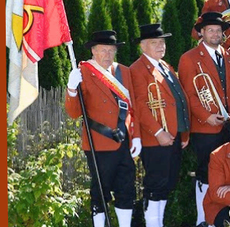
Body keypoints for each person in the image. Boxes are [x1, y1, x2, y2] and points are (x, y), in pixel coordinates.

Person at [65, 30, 140, 227]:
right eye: (102, 50)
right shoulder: (83, 72)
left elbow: (134, 107)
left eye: (111, 50)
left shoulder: (124, 71)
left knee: (126, 188)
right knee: (100, 190)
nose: (107, 55)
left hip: (124, 141)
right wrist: (72, 89)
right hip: (98, 143)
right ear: (93, 51)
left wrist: (137, 136)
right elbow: (74, 113)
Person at [178, 12, 230, 227]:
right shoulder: (189, 58)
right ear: (202, 33)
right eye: (210, 30)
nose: (215, 33)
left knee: (229, 174)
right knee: (205, 174)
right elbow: (189, 95)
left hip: (229, 125)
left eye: (218, 30)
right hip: (206, 127)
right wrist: (206, 116)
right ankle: (203, 219)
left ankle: (224, 217)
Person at [129, 23, 191, 227]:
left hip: (172, 135)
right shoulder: (137, 69)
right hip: (156, 138)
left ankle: (158, 222)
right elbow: (139, 105)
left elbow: (176, 100)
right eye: (154, 43)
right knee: (156, 184)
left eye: (162, 42)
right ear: (142, 46)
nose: (160, 46)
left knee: (168, 183)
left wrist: (183, 132)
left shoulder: (164, 66)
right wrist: (158, 132)